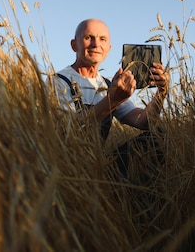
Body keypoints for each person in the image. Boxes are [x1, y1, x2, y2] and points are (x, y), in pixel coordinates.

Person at [49, 18, 169, 179]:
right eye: (88, 37)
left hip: (100, 166)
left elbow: (143, 122)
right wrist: (113, 100)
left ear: (109, 48)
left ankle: (134, 198)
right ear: (74, 45)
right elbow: (66, 132)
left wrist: (161, 92)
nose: (95, 44)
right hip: (65, 168)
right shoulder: (58, 81)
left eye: (102, 39)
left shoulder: (107, 84)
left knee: (159, 137)